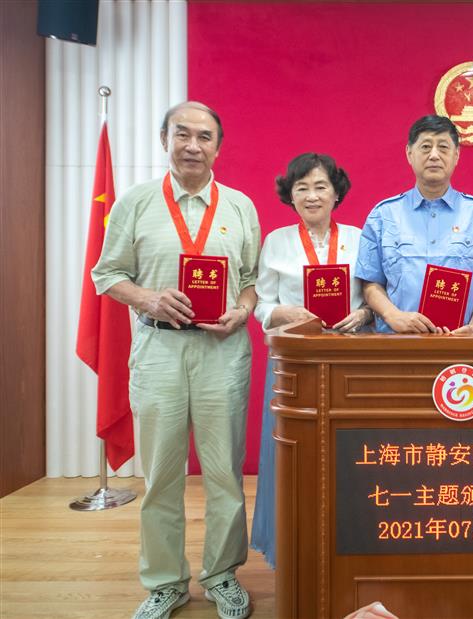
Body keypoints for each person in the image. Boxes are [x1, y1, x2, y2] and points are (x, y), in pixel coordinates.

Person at [92, 101, 260, 619]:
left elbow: (252, 282)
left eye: (204, 136)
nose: (193, 145)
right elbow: (107, 273)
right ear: (163, 138)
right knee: (161, 474)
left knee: (224, 474)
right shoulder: (136, 203)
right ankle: (165, 581)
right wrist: (147, 298)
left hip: (223, 352)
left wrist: (242, 312)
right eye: (182, 134)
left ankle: (222, 574)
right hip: (159, 349)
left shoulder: (239, 206)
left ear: (218, 146)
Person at [251, 152, 372, 568]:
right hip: (295, 364)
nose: (312, 195)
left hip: (351, 363)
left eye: (321, 186)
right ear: (291, 195)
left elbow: (377, 294)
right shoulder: (276, 242)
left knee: (350, 454)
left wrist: (367, 313)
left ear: (337, 192)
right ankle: (289, 548)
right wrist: (283, 313)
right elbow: (262, 304)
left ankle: (351, 548)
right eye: (301, 187)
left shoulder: (360, 237)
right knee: (293, 455)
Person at [356, 115, 473, 334]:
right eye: (425, 147)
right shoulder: (383, 215)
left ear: (456, 156)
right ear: (409, 154)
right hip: (397, 343)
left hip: (459, 343)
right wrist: (393, 316)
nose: (434, 155)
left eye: (443, 147)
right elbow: (370, 283)